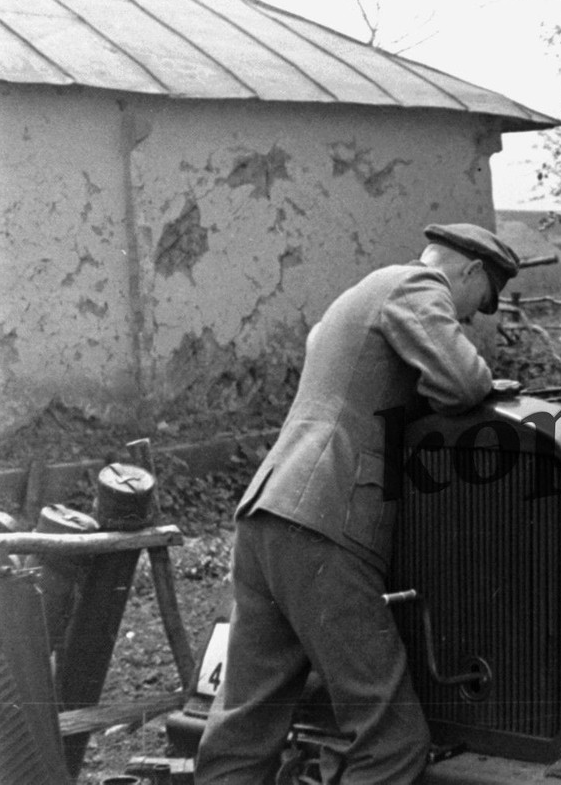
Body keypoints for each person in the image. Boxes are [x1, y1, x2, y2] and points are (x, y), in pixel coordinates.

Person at [195, 223, 520, 785]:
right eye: (478, 306)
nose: (468, 321)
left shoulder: (356, 298)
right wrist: (486, 381)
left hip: (269, 511)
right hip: (327, 521)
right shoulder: (416, 285)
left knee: (246, 725)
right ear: (468, 272)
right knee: (391, 740)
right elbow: (464, 383)